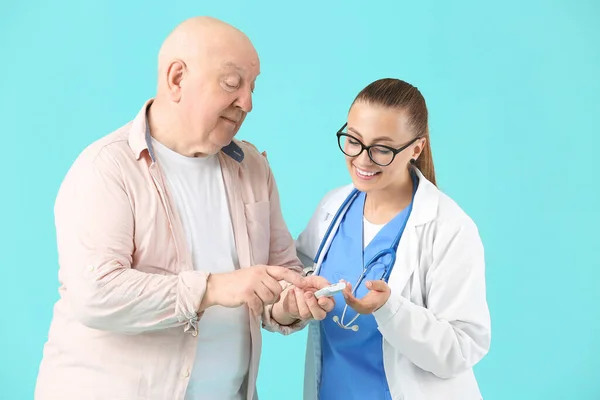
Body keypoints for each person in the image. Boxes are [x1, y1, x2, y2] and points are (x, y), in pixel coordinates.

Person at [34, 16, 332, 400]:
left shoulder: (253, 167)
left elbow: (276, 278)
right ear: (177, 79)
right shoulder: (105, 168)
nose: (248, 102)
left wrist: (292, 304)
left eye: (252, 88)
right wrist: (213, 287)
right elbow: (95, 294)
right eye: (232, 84)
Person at [276, 78, 491, 399]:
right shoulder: (332, 207)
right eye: (353, 140)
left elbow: (461, 349)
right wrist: (296, 301)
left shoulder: (448, 228)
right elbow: (296, 279)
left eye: (382, 149)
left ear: (416, 148)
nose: (362, 159)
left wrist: (390, 309)